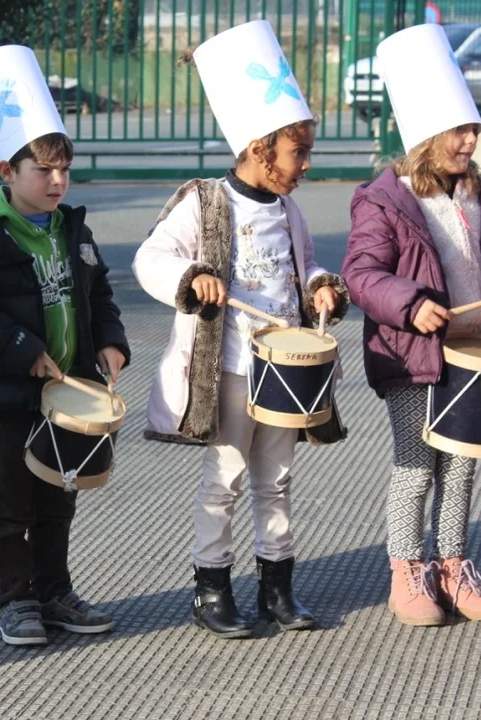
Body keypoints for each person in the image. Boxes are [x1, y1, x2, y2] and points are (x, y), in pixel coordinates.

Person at [133, 20, 349, 639]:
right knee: (224, 479)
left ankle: (277, 588)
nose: (305, 165)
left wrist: (321, 286)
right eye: (297, 153)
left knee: (276, 480)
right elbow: (150, 258)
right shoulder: (203, 201)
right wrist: (193, 276)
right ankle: (211, 589)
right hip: (229, 367)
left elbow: (302, 266)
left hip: (282, 370)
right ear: (260, 148)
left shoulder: (288, 209)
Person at [342, 24, 481, 626]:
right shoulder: (385, 199)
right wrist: (410, 303)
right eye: (459, 129)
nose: (470, 139)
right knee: (415, 463)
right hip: (412, 353)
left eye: (474, 128)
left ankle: (452, 565)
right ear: (427, 136)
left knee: (461, 462)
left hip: (474, 350)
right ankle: (406, 570)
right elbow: (361, 272)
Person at [0, 45, 130, 646]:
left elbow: (98, 293)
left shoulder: (73, 228)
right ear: (7, 171)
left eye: (64, 169)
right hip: (11, 393)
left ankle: (53, 591)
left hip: (69, 390)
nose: (57, 181)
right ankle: (14, 598)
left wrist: (111, 341)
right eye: (43, 170)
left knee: (59, 497)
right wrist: (23, 349)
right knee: (12, 501)